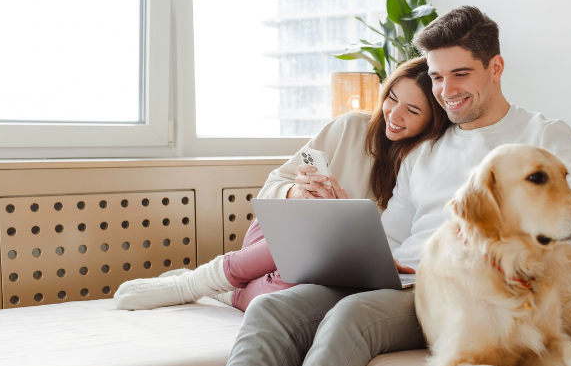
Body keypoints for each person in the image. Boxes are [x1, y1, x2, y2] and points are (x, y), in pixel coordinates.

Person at [121, 6, 571, 366]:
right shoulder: (429, 150)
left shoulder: (543, 134)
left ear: (495, 68)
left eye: (460, 74)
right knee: (274, 308)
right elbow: (394, 234)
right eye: (438, 75)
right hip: (399, 275)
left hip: (468, 292)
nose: (447, 90)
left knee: (351, 317)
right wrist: (350, 232)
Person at [113, 57, 448, 313]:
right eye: (391, 98)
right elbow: (272, 187)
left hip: (320, 267)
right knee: (309, 228)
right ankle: (192, 284)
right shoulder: (348, 128)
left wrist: (347, 222)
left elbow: (387, 245)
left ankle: (228, 291)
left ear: (433, 119)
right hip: (272, 238)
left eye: (412, 110)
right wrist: (296, 192)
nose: (394, 114)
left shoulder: (423, 163)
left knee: (289, 299)